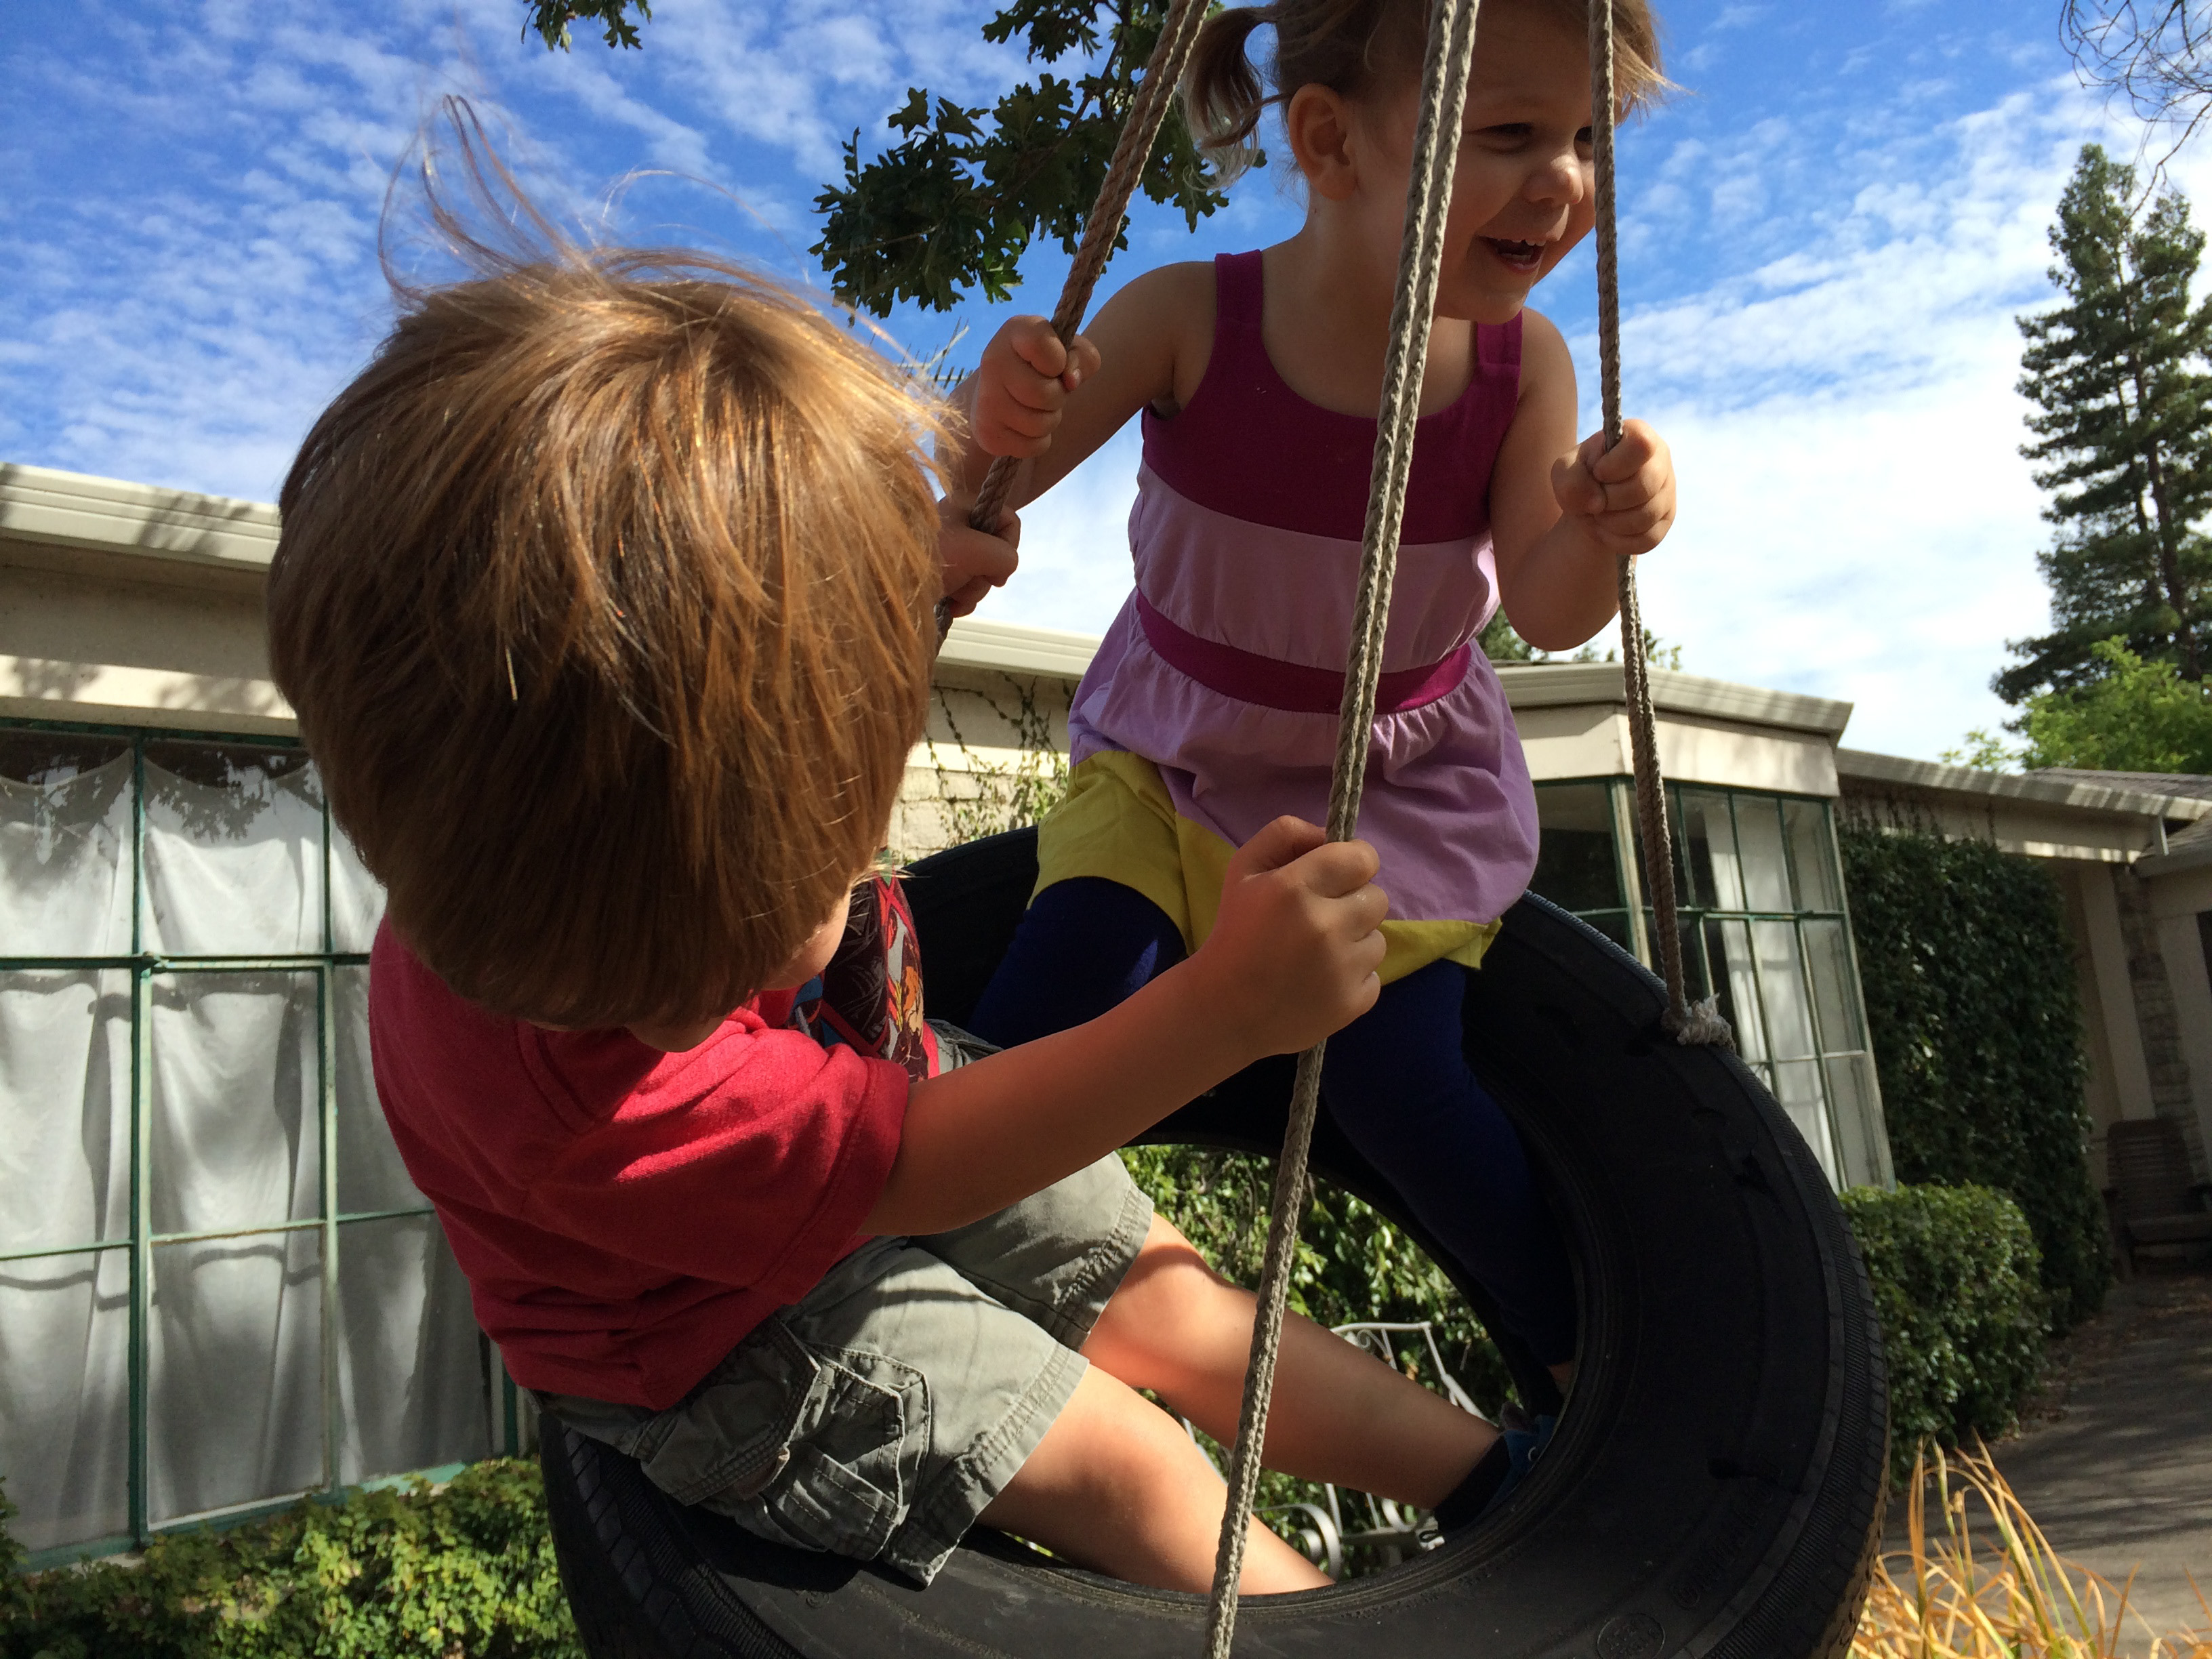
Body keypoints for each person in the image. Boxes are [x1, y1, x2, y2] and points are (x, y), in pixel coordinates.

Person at [263, 148, 1526, 1600]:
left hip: (854, 1115)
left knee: (1180, 1308)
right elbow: (914, 1168)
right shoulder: (615, 1105)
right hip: (703, 1334)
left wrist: (917, 569)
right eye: (732, 947)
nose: (830, 909)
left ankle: (1504, 1480)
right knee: (1134, 1462)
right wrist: (1231, 1008)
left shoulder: (548, 826)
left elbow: (756, 697)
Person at [958, 0, 1678, 1395]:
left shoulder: (1527, 366)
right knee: (1058, 1014)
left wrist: (1605, 522)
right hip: (1171, 757)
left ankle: (1584, 1366)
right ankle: (960, 1287)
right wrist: (996, 419)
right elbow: (990, 488)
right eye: (1515, 134)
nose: (1568, 180)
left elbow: (1546, 607)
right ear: (1331, 142)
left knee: (1393, 1081)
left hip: (1390, 785)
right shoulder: (1187, 320)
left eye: (1593, 139)